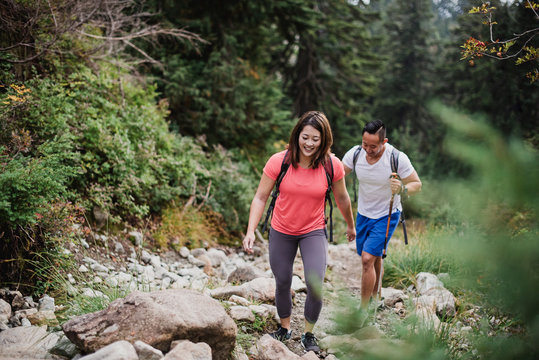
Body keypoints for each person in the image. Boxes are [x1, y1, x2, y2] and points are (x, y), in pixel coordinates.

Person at [242, 111, 356, 353]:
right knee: (282, 280)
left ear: (324, 140)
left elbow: (343, 198)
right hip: (281, 229)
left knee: (315, 283)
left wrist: (350, 224)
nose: (309, 143)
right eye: (305, 137)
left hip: (313, 230)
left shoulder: (331, 165)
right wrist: (251, 230)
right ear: (297, 136)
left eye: (316, 139)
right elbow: (261, 197)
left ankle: (308, 334)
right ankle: (284, 328)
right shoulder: (279, 161)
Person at [342, 119, 422, 308]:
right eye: (365, 144)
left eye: (373, 146)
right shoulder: (355, 154)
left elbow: (416, 184)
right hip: (363, 213)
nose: (368, 149)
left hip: (387, 214)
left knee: (367, 259)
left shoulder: (396, 157)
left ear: (384, 142)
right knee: (374, 256)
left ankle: (363, 309)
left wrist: (402, 188)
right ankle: (377, 297)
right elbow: (336, 174)